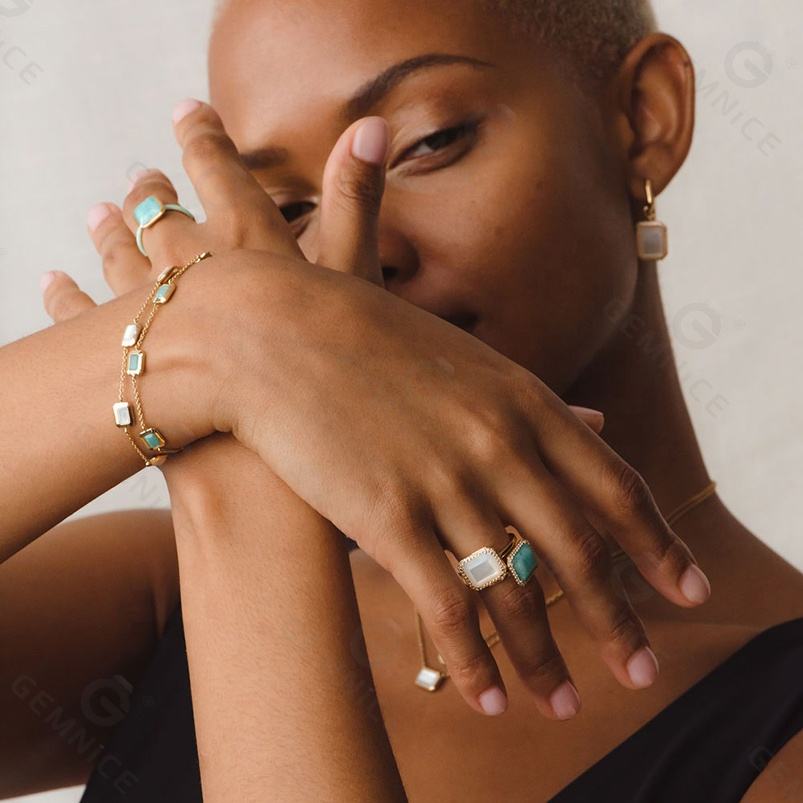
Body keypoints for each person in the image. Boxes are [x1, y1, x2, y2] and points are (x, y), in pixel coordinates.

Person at [1, 0, 801, 800]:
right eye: (285, 213)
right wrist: (209, 341)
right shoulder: (163, 591)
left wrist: (246, 474)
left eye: (428, 143)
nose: (354, 258)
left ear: (643, 115)